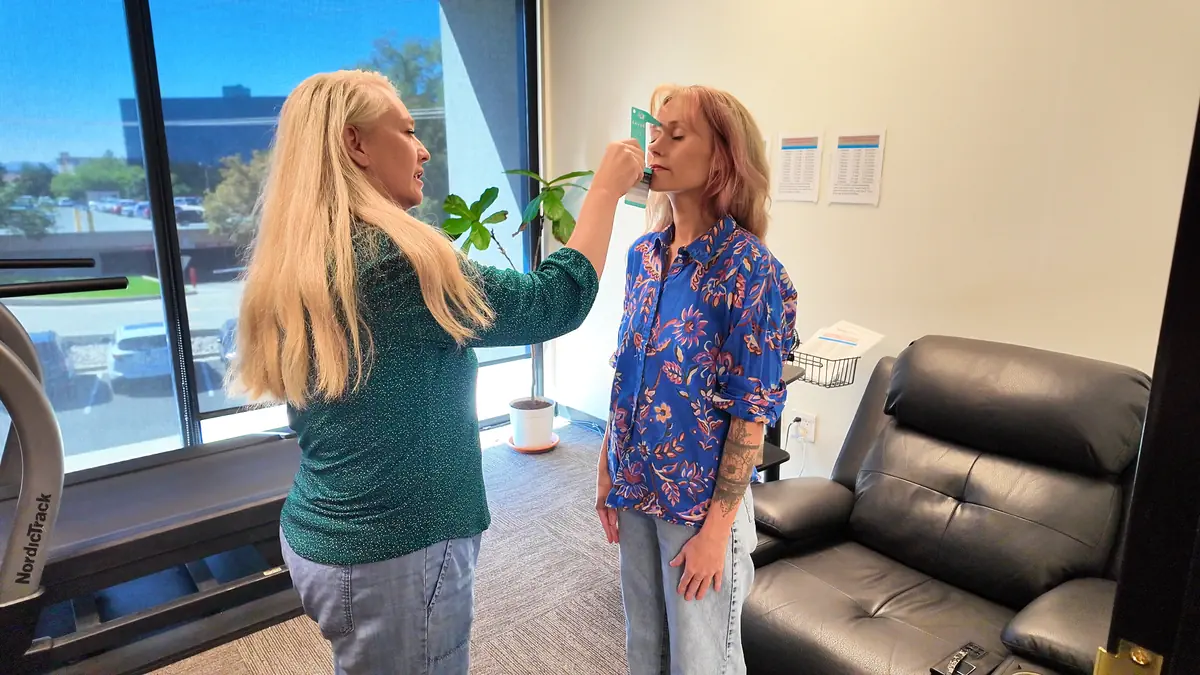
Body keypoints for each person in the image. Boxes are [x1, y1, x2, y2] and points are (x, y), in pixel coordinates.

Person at [230, 69, 644, 675]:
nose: (423, 149)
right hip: (397, 551)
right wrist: (605, 192)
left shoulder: (303, 253)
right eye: (406, 130)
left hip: (328, 534)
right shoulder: (398, 258)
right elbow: (555, 301)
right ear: (355, 144)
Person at [595, 84, 798, 674]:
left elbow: (751, 409)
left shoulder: (749, 270)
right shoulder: (645, 257)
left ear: (721, 160)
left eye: (675, 134)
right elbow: (629, 367)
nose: (654, 143)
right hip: (637, 485)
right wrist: (608, 460)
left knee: (702, 660)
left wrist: (716, 533)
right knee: (645, 648)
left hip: (700, 510)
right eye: (654, 130)